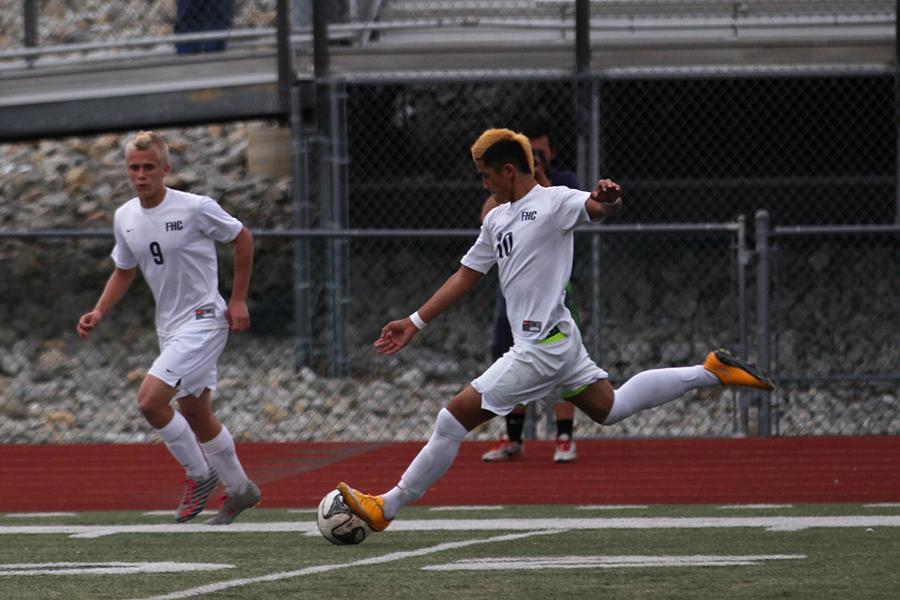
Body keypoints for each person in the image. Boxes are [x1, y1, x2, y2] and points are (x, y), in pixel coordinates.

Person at [336, 127, 774, 532]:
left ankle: (385, 508)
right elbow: (466, 275)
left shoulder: (553, 201)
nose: (484, 185)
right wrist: (414, 322)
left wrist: (610, 198)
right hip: (559, 339)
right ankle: (711, 371)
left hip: (541, 347)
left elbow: (599, 208)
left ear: (509, 170)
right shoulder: (495, 219)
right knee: (611, 407)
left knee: (451, 421)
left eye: (486, 176)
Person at [77, 131, 260, 525]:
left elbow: (242, 238)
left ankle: (200, 474)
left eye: (148, 167)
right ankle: (241, 489)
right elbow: (124, 270)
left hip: (205, 320)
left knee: (149, 401)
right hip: (170, 327)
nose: (141, 175)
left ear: (165, 169)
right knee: (194, 410)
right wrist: (99, 311)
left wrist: (238, 298)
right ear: (127, 170)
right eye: (134, 168)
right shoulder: (124, 216)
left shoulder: (196, 208)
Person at [479, 120, 582, 463]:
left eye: (540, 151)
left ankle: (563, 437)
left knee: (560, 364)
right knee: (510, 353)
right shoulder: (502, 202)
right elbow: (485, 227)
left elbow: (590, 207)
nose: (536, 158)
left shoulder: (560, 186)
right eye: (530, 152)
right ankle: (514, 436)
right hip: (514, 290)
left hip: (553, 292)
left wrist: (538, 179)